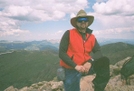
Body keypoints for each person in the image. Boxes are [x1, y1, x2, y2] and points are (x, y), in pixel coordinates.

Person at [59, 9, 110, 91]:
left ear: (88, 22)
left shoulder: (91, 36)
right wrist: (76, 66)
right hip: (72, 68)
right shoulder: (69, 33)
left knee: (104, 61)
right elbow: (61, 53)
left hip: (86, 67)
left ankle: (97, 87)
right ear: (76, 22)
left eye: (85, 19)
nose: (83, 21)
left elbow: (98, 51)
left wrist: (90, 62)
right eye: (80, 20)